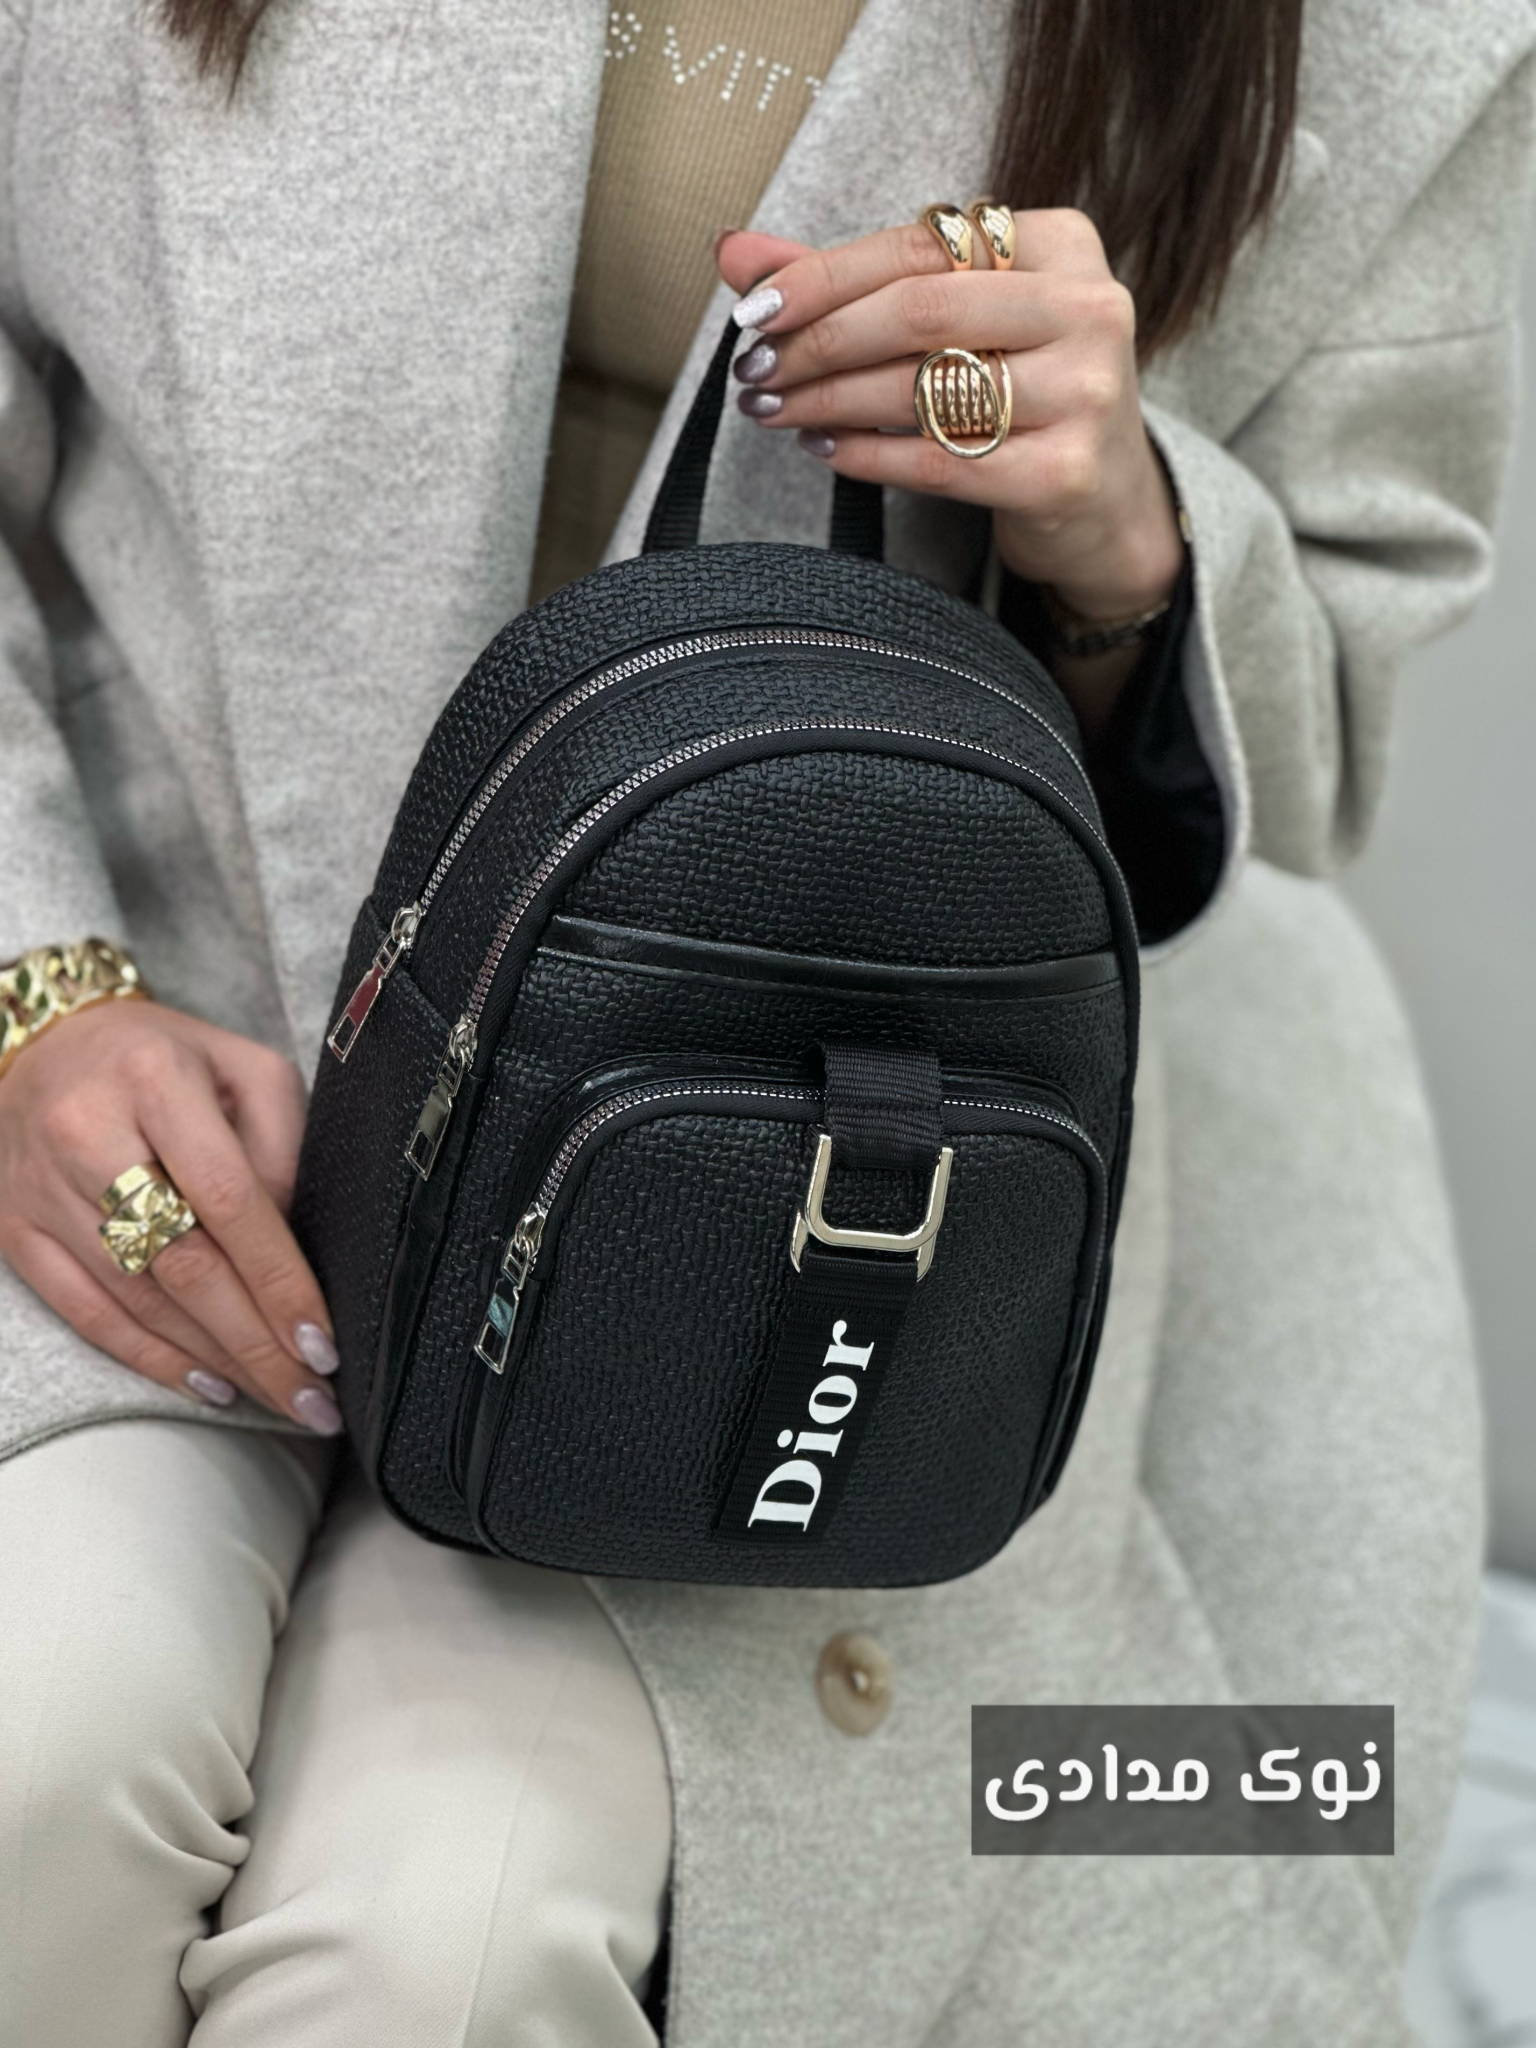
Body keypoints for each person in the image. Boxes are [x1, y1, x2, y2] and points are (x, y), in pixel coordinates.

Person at [0, 1, 1530, 2041]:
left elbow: (1323, 713)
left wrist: (1122, 534)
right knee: (41, 1744)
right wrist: (28, 987)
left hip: (787, 1150)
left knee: (447, 1945)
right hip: (158, 1004)